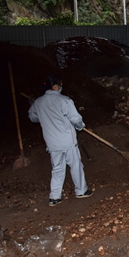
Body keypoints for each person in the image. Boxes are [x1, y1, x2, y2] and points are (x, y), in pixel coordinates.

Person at [28, 74, 92, 207]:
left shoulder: (38, 102)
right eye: (61, 85)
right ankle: (81, 190)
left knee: (57, 168)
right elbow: (76, 119)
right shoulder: (65, 100)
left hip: (52, 143)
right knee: (75, 165)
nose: (62, 87)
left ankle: (54, 197)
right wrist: (80, 127)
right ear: (56, 86)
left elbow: (33, 117)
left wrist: (44, 114)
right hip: (67, 140)